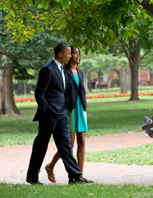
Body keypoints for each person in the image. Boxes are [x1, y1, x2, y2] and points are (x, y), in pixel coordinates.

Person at [26, 42, 90, 184]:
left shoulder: (63, 69)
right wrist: (48, 110)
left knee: (66, 146)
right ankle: (32, 176)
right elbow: (39, 94)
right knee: (41, 146)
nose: (70, 56)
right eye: (68, 53)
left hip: (63, 115)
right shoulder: (47, 69)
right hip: (49, 116)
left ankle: (74, 176)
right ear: (60, 54)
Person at [45, 46, 90, 183]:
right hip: (68, 109)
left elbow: (81, 92)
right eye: (74, 53)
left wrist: (85, 109)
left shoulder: (80, 72)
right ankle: (50, 166)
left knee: (82, 141)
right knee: (69, 144)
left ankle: (80, 175)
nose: (77, 56)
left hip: (80, 108)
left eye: (78, 53)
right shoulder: (63, 71)